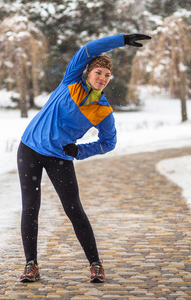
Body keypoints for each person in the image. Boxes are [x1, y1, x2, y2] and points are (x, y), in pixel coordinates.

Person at [17, 33, 151, 283]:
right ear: (88, 72)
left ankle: (95, 265)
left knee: (74, 209)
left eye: (107, 76)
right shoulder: (70, 81)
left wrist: (80, 151)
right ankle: (30, 265)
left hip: (59, 157)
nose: (102, 78)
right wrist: (122, 40)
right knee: (31, 207)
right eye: (98, 72)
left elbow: (109, 143)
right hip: (30, 149)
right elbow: (89, 48)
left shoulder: (103, 111)